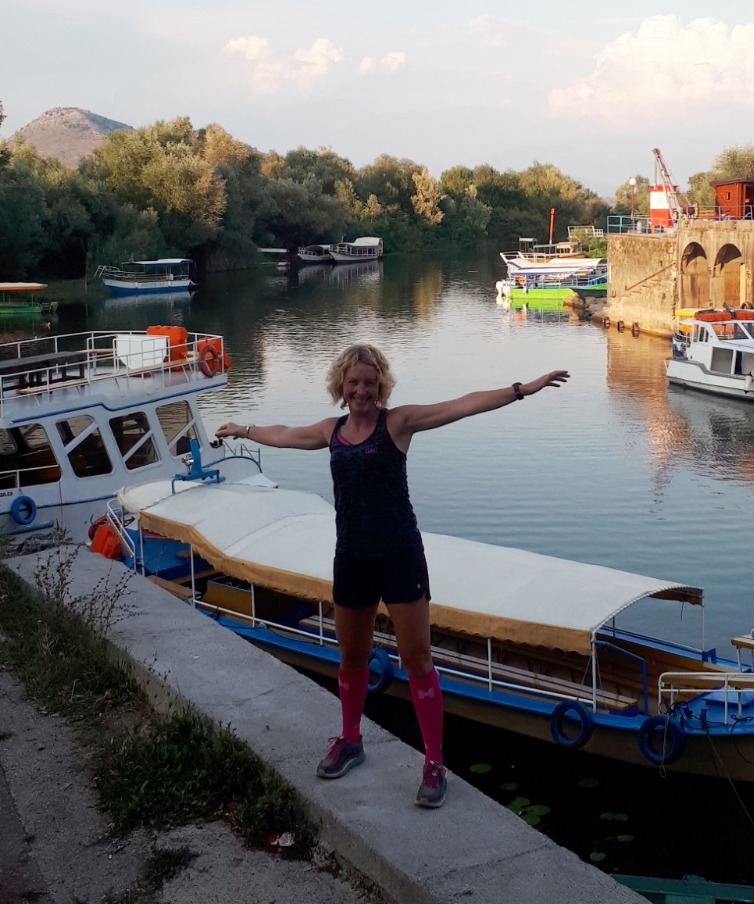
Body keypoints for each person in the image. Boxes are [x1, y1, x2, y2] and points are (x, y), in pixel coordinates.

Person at [215, 345, 570, 809]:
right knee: (351, 657)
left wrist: (523, 389)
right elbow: (285, 435)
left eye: (369, 382)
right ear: (341, 387)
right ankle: (350, 739)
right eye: (353, 382)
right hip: (353, 558)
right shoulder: (332, 431)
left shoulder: (397, 424)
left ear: (380, 386)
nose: (361, 389)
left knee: (417, 659)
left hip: (400, 555)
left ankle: (435, 763)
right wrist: (243, 429)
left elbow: (459, 405)